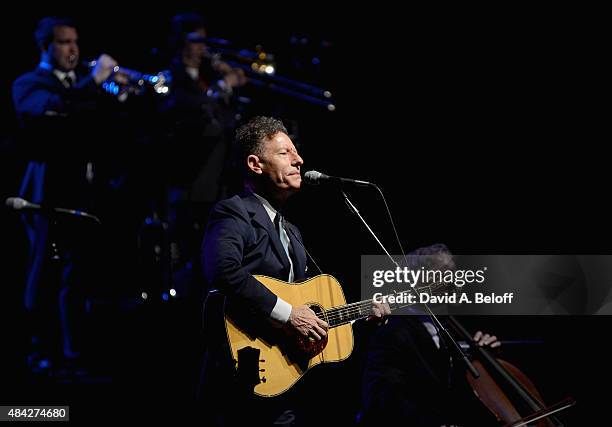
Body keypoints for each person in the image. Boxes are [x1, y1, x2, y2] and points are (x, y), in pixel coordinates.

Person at [199, 116, 389, 425]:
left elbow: (312, 315)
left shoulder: (292, 232)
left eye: (296, 152)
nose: (299, 159)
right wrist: (289, 315)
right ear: (255, 164)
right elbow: (222, 270)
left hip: (285, 387)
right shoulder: (234, 211)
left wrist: (360, 317)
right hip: (239, 381)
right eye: (285, 152)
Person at [12, 16, 125, 374]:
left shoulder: (80, 85)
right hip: (47, 194)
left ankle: (73, 350)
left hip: (86, 194)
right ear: (45, 47)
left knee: (78, 277)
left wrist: (121, 93)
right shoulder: (30, 84)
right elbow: (57, 109)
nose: (73, 49)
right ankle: (38, 350)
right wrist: (94, 83)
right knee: (44, 273)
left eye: (75, 41)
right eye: (63, 42)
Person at [359, 244, 501, 427]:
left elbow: (455, 390)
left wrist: (481, 358)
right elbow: (386, 396)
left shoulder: (448, 328)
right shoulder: (391, 331)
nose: (456, 282)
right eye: (445, 273)